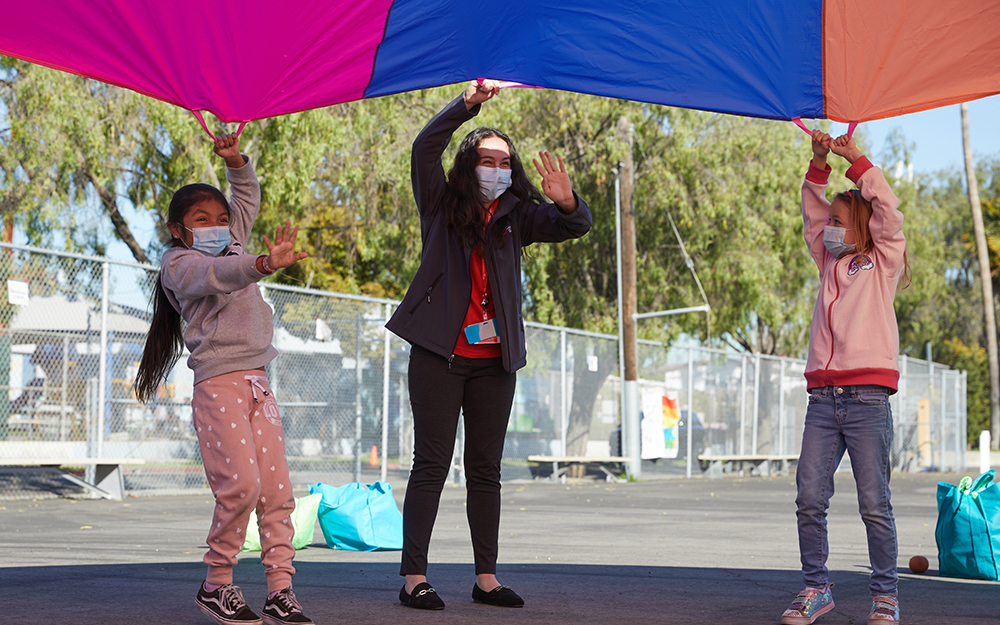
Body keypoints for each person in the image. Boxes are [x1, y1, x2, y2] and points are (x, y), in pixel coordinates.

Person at [385, 80, 592, 610]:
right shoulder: (438, 202)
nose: (497, 168)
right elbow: (424, 146)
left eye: (505, 160)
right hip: (439, 355)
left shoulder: (516, 214)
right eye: (487, 158)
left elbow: (575, 225)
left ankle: (486, 579)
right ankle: (414, 579)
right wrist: (468, 104)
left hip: (495, 362)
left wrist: (567, 199)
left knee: (486, 470)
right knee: (430, 465)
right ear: (468, 163)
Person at [133, 134, 313, 625]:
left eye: (219, 219)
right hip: (220, 385)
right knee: (242, 486)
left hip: (258, 383)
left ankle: (281, 589)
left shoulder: (232, 244)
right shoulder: (180, 264)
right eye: (200, 220)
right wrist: (261, 264)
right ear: (178, 230)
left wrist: (234, 160)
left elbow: (246, 197)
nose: (215, 227)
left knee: (277, 490)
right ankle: (217, 584)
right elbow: (219, 277)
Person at [781, 130, 909, 625]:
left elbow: (890, 214)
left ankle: (885, 596)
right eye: (828, 223)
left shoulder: (881, 264)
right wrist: (818, 164)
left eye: (839, 222)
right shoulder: (827, 261)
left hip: (868, 399)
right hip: (823, 398)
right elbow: (812, 210)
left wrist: (856, 162)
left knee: (874, 502)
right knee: (809, 497)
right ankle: (816, 588)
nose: (828, 229)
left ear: (861, 226)